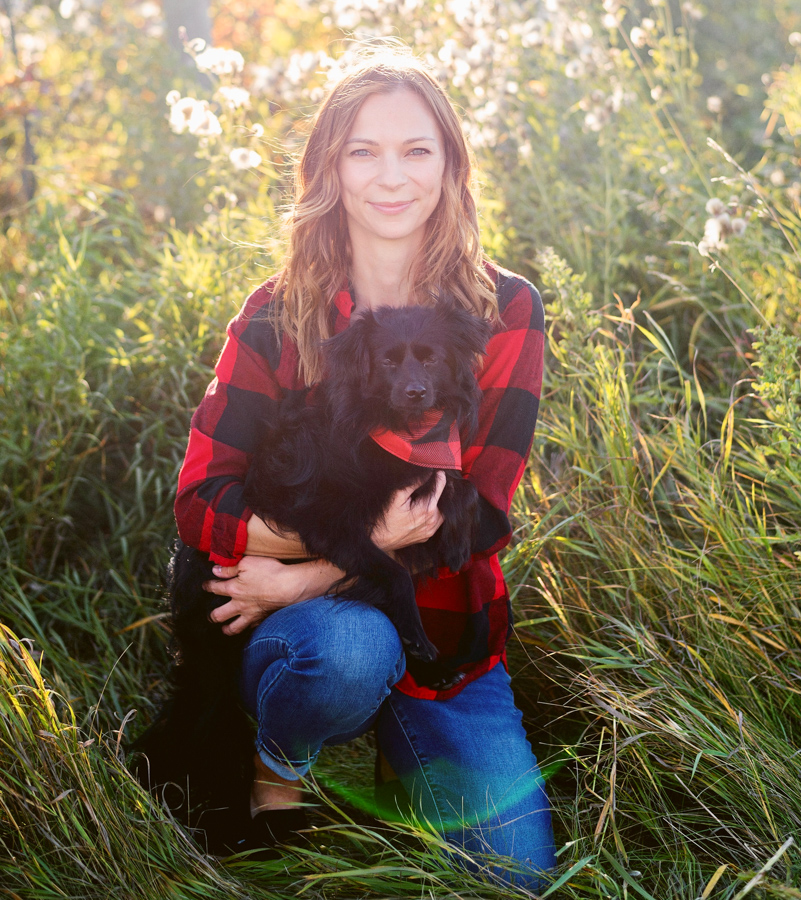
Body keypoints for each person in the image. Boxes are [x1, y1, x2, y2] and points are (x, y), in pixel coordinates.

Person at [174, 50, 557, 887]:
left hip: (442, 640)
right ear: (328, 171)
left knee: (511, 878)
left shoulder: (505, 311)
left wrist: (303, 575)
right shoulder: (276, 315)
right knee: (344, 653)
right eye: (362, 151)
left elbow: (477, 518)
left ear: (451, 165)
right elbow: (201, 504)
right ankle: (284, 756)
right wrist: (347, 556)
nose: (391, 176)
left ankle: (399, 749)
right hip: (324, 637)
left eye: (416, 150)